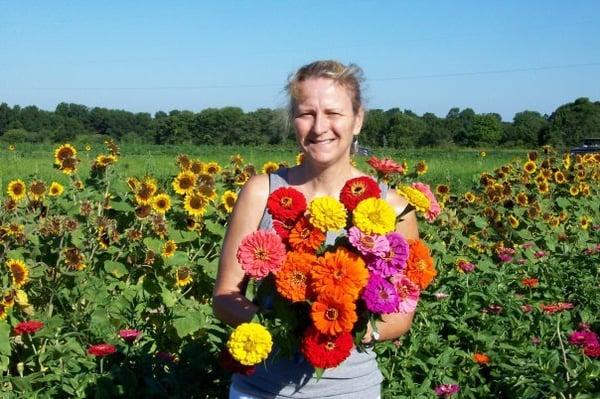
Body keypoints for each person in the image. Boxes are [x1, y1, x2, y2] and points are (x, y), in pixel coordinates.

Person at [212, 60, 419, 399]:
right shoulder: (262, 192)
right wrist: (280, 328)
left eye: (334, 113)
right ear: (293, 120)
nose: (319, 127)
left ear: (358, 120)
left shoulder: (392, 208)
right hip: (262, 389)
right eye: (306, 113)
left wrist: (351, 328)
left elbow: (402, 311)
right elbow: (224, 298)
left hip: (351, 390)